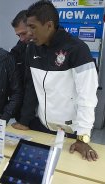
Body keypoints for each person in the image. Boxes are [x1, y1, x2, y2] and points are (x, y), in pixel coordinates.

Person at [18, 0, 98, 161]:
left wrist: (83, 137)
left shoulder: (77, 49)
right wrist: (24, 120)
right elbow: (31, 87)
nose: (29, 32)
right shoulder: (32, 48)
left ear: (49, 25)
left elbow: (87, 97)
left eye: (33, 27)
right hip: (41, 126)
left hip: (70, 132)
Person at [10, 10, 33, 128]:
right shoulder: (16, 52)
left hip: (52, 118)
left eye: (23, 33)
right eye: (19, 35)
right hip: (24, 114)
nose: (22, 39)